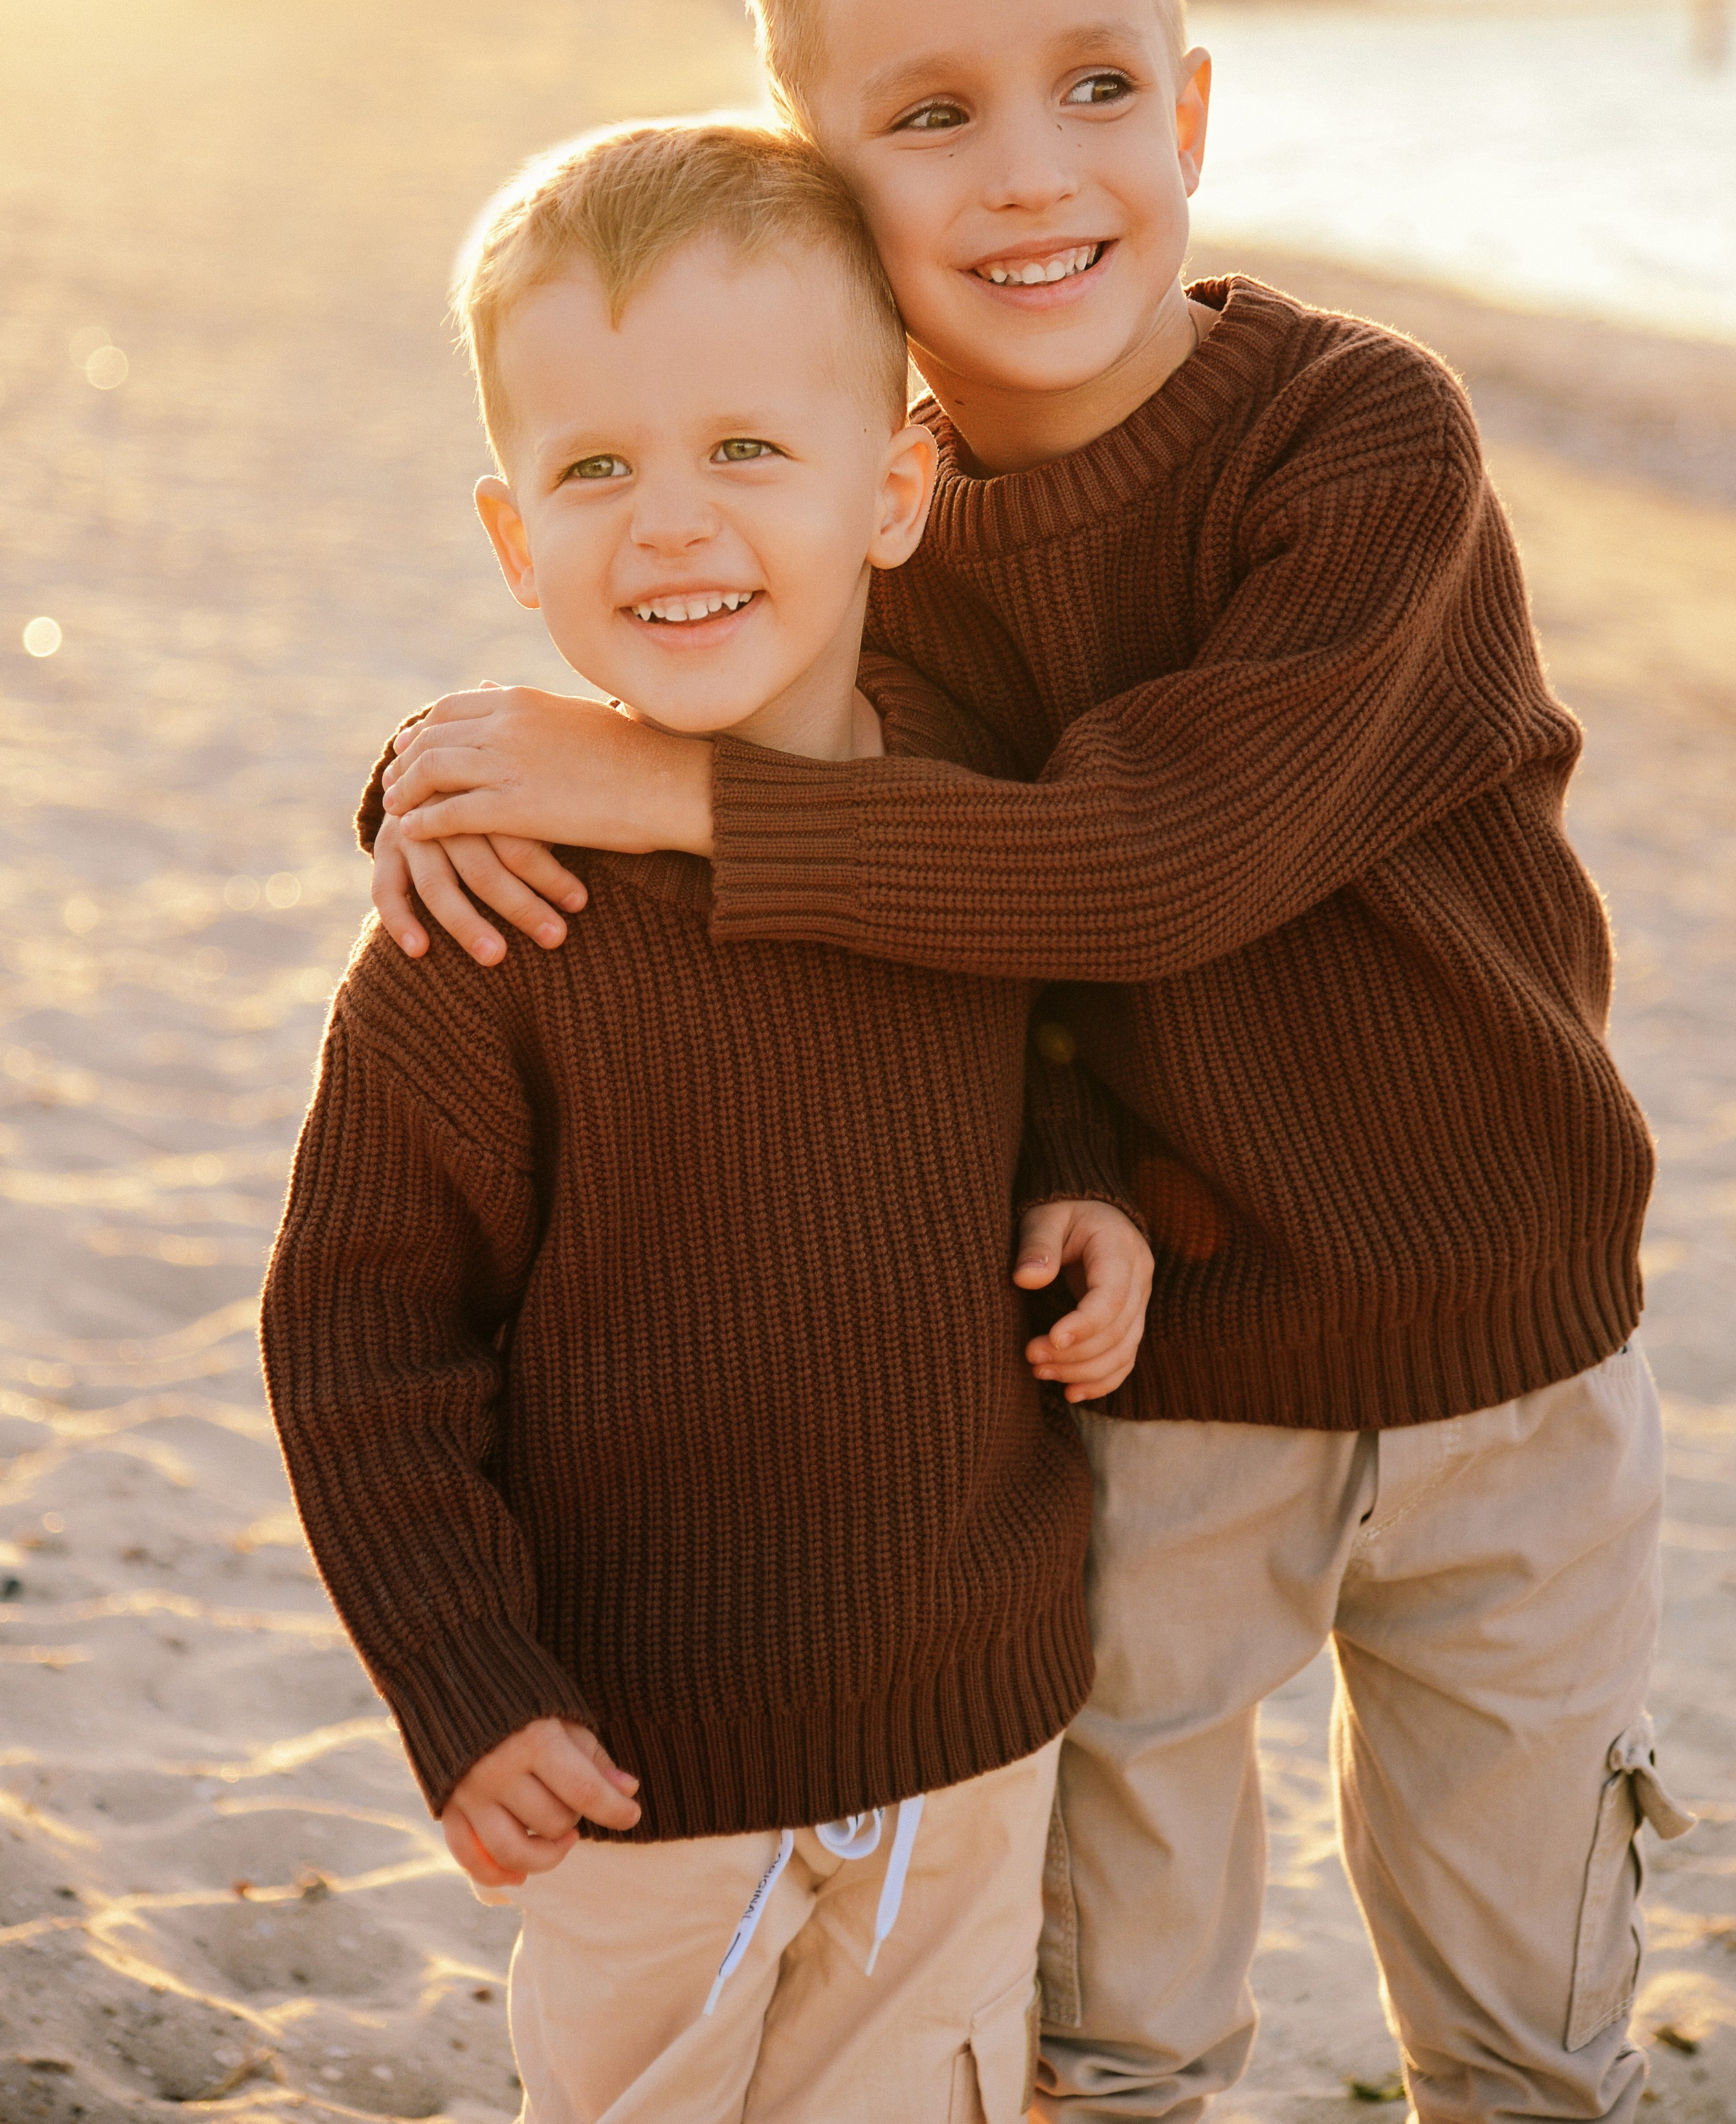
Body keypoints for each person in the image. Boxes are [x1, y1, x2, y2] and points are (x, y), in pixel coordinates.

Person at [361, 0, 1689, 2124]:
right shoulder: (881, 531)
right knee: (1120, 2019)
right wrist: (437, 778)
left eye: (1095, 87)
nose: (1033, 169)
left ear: (1191, 117)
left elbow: (1148, 858)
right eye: (933, 113)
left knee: (1524, 2016)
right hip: (1157, 1382)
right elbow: (796, 764)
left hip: (1510, 1353)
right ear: (828, 188)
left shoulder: (1365, 447)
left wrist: (653, 786)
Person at [262, 117, 1157, 2124]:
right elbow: (358, 1338)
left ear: (897, 486)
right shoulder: (489, 928)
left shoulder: (961, 791)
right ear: (515, 542)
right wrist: (467, 1683)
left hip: (966, 1708)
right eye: (598, 469)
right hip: (640, 1757)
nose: (671, 523)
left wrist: (1083, 1187)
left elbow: (1045, 1032)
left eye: (749, 448)